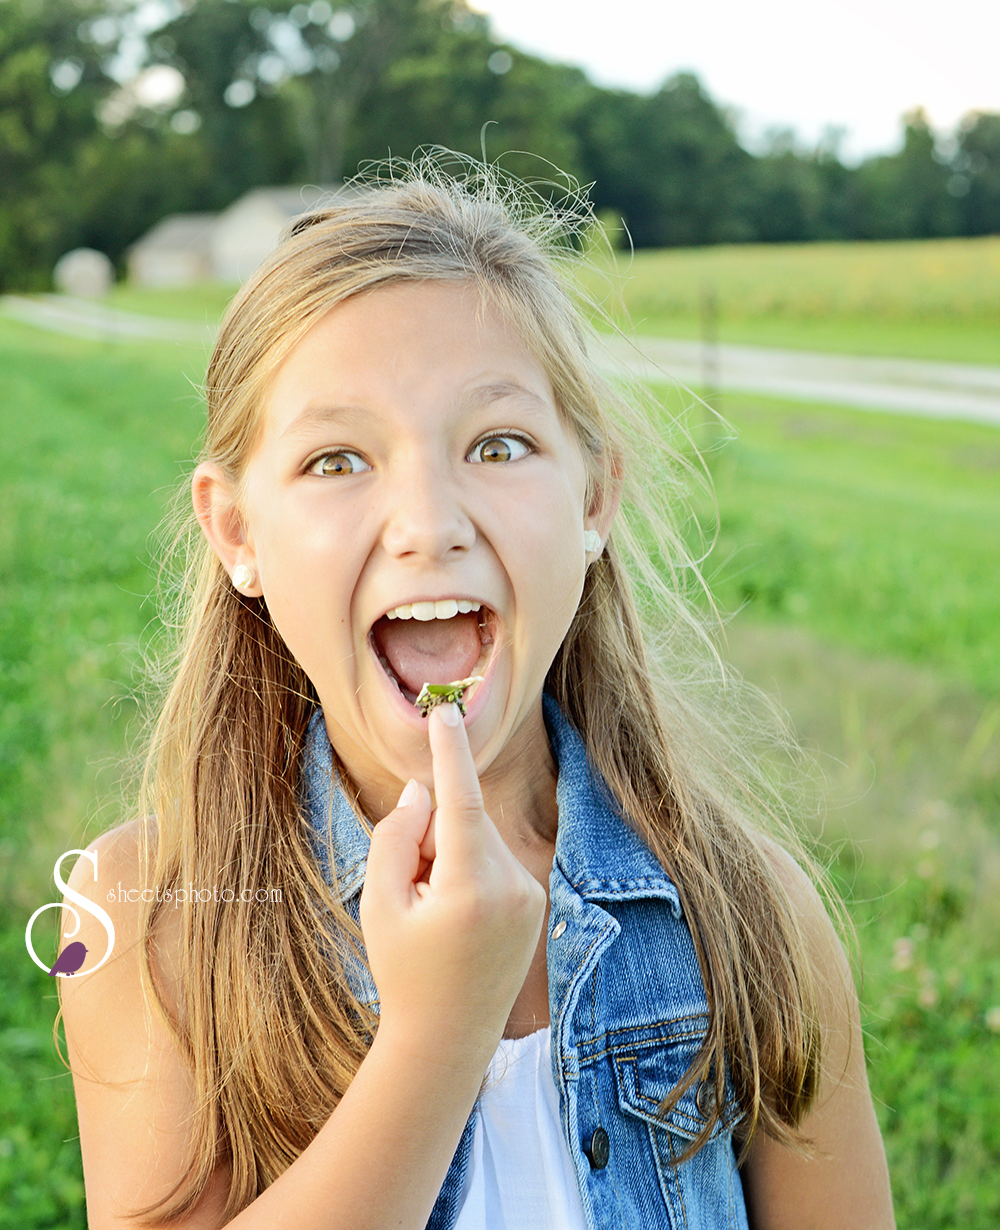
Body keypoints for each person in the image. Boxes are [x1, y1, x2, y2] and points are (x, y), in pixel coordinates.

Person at [60, 156, 896, 1229]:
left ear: (593, 499)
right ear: (237, 531)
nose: (429, 523)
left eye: (498, 445)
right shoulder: (150, 919)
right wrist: (436, 1038)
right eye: (336, 460)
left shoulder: (753, 913)